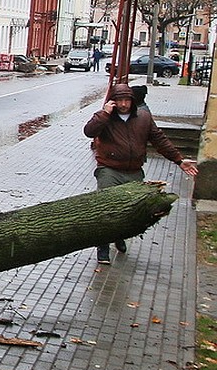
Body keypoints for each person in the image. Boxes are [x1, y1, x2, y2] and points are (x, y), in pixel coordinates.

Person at [83, 83, 198, 263]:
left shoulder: (143, 117)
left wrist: (179, 160)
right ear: (112, 101)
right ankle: (103, 248)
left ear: (132, 101)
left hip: (134, 171)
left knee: (129, 210)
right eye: (119, 100)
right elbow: (89, 132)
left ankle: (119, 236)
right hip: (109, 169)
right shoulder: (105, 118)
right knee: (106, 210)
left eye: (126, 100)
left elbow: (159, 139)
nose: (123, 104)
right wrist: (104, 114)